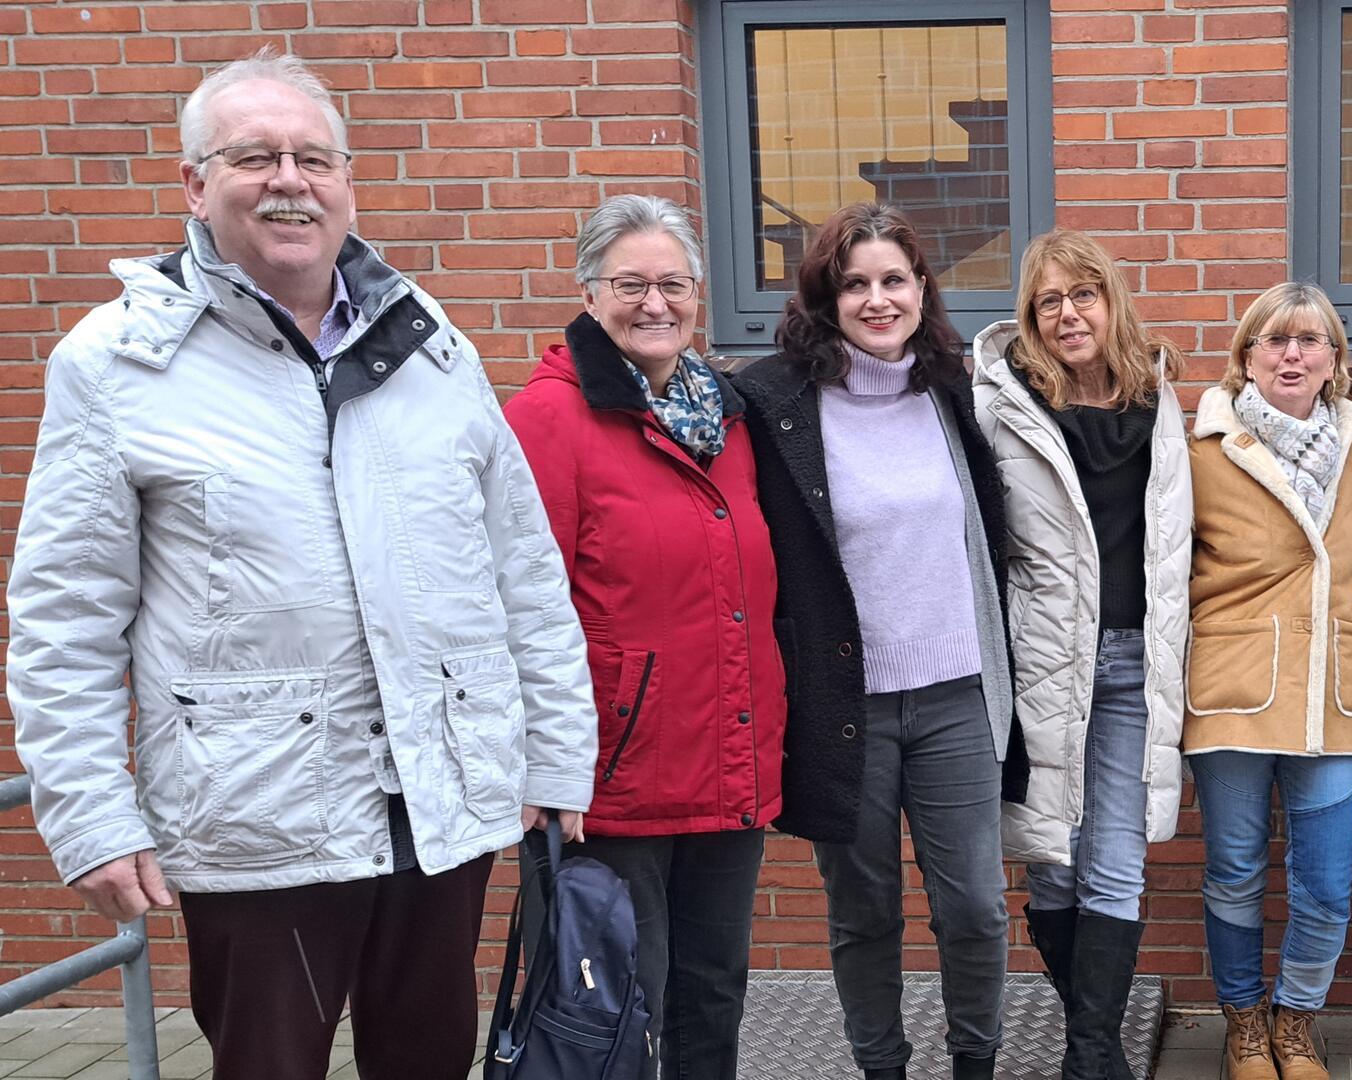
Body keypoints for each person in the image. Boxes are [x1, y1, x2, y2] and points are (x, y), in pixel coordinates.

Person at [3, 50, 595, 1080]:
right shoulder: (115, 365)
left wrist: (553, 756)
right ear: (196, 184)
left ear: (346, 181)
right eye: (253, 156)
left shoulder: (430, 349)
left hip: (438, 800)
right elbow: (65, 617)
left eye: (314, 157)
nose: (289, 179)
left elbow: (525, 575)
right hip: (260, 815)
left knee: (429, 1062)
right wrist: (91, 814)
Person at [735, 202, 1021, 1080]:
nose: (876, 299)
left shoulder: (957, 394)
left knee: (973, 905)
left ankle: (975, 1062)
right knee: (864, 911)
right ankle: (882, 1067)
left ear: (922, 287)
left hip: (956, 696)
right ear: (826, 298)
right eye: (853, 283)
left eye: (893, 279)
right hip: (841, 704)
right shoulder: (771, 400)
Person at [502, 194, 785, 1080]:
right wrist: (539, 765)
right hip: (608, 782)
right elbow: (511, 603)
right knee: (615, 1008)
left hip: (726, 765)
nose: (654, 303)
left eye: (673, 284)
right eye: (630, 284)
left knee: (713, 995)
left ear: (700, 294)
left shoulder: (726, 420)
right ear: (590, 294)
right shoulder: (548, 420)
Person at [972, 229, 1191, 1080]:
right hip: (1045, 665)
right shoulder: (1004, 407)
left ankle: (1091, 1051)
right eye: (1048, 301)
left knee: (1115, 861)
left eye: (1083, 295)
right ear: (1031, 317)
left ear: (1112, 301)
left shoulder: (1158, 402)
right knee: (1054, 863)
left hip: (1137, 666)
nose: (1068, 315)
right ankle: (1093, 1049)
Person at [1184, 282, 1352, 1080]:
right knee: (1235, 871)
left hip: (1331, 695)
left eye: (1311, 341)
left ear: (1334, 360)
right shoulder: (1203, 450)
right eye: (1275, 340)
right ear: (1246, 356)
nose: (1293, 355)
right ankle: (1243, 1024)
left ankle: (1296, 1022)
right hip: (1234, 689)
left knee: (1327, 884)